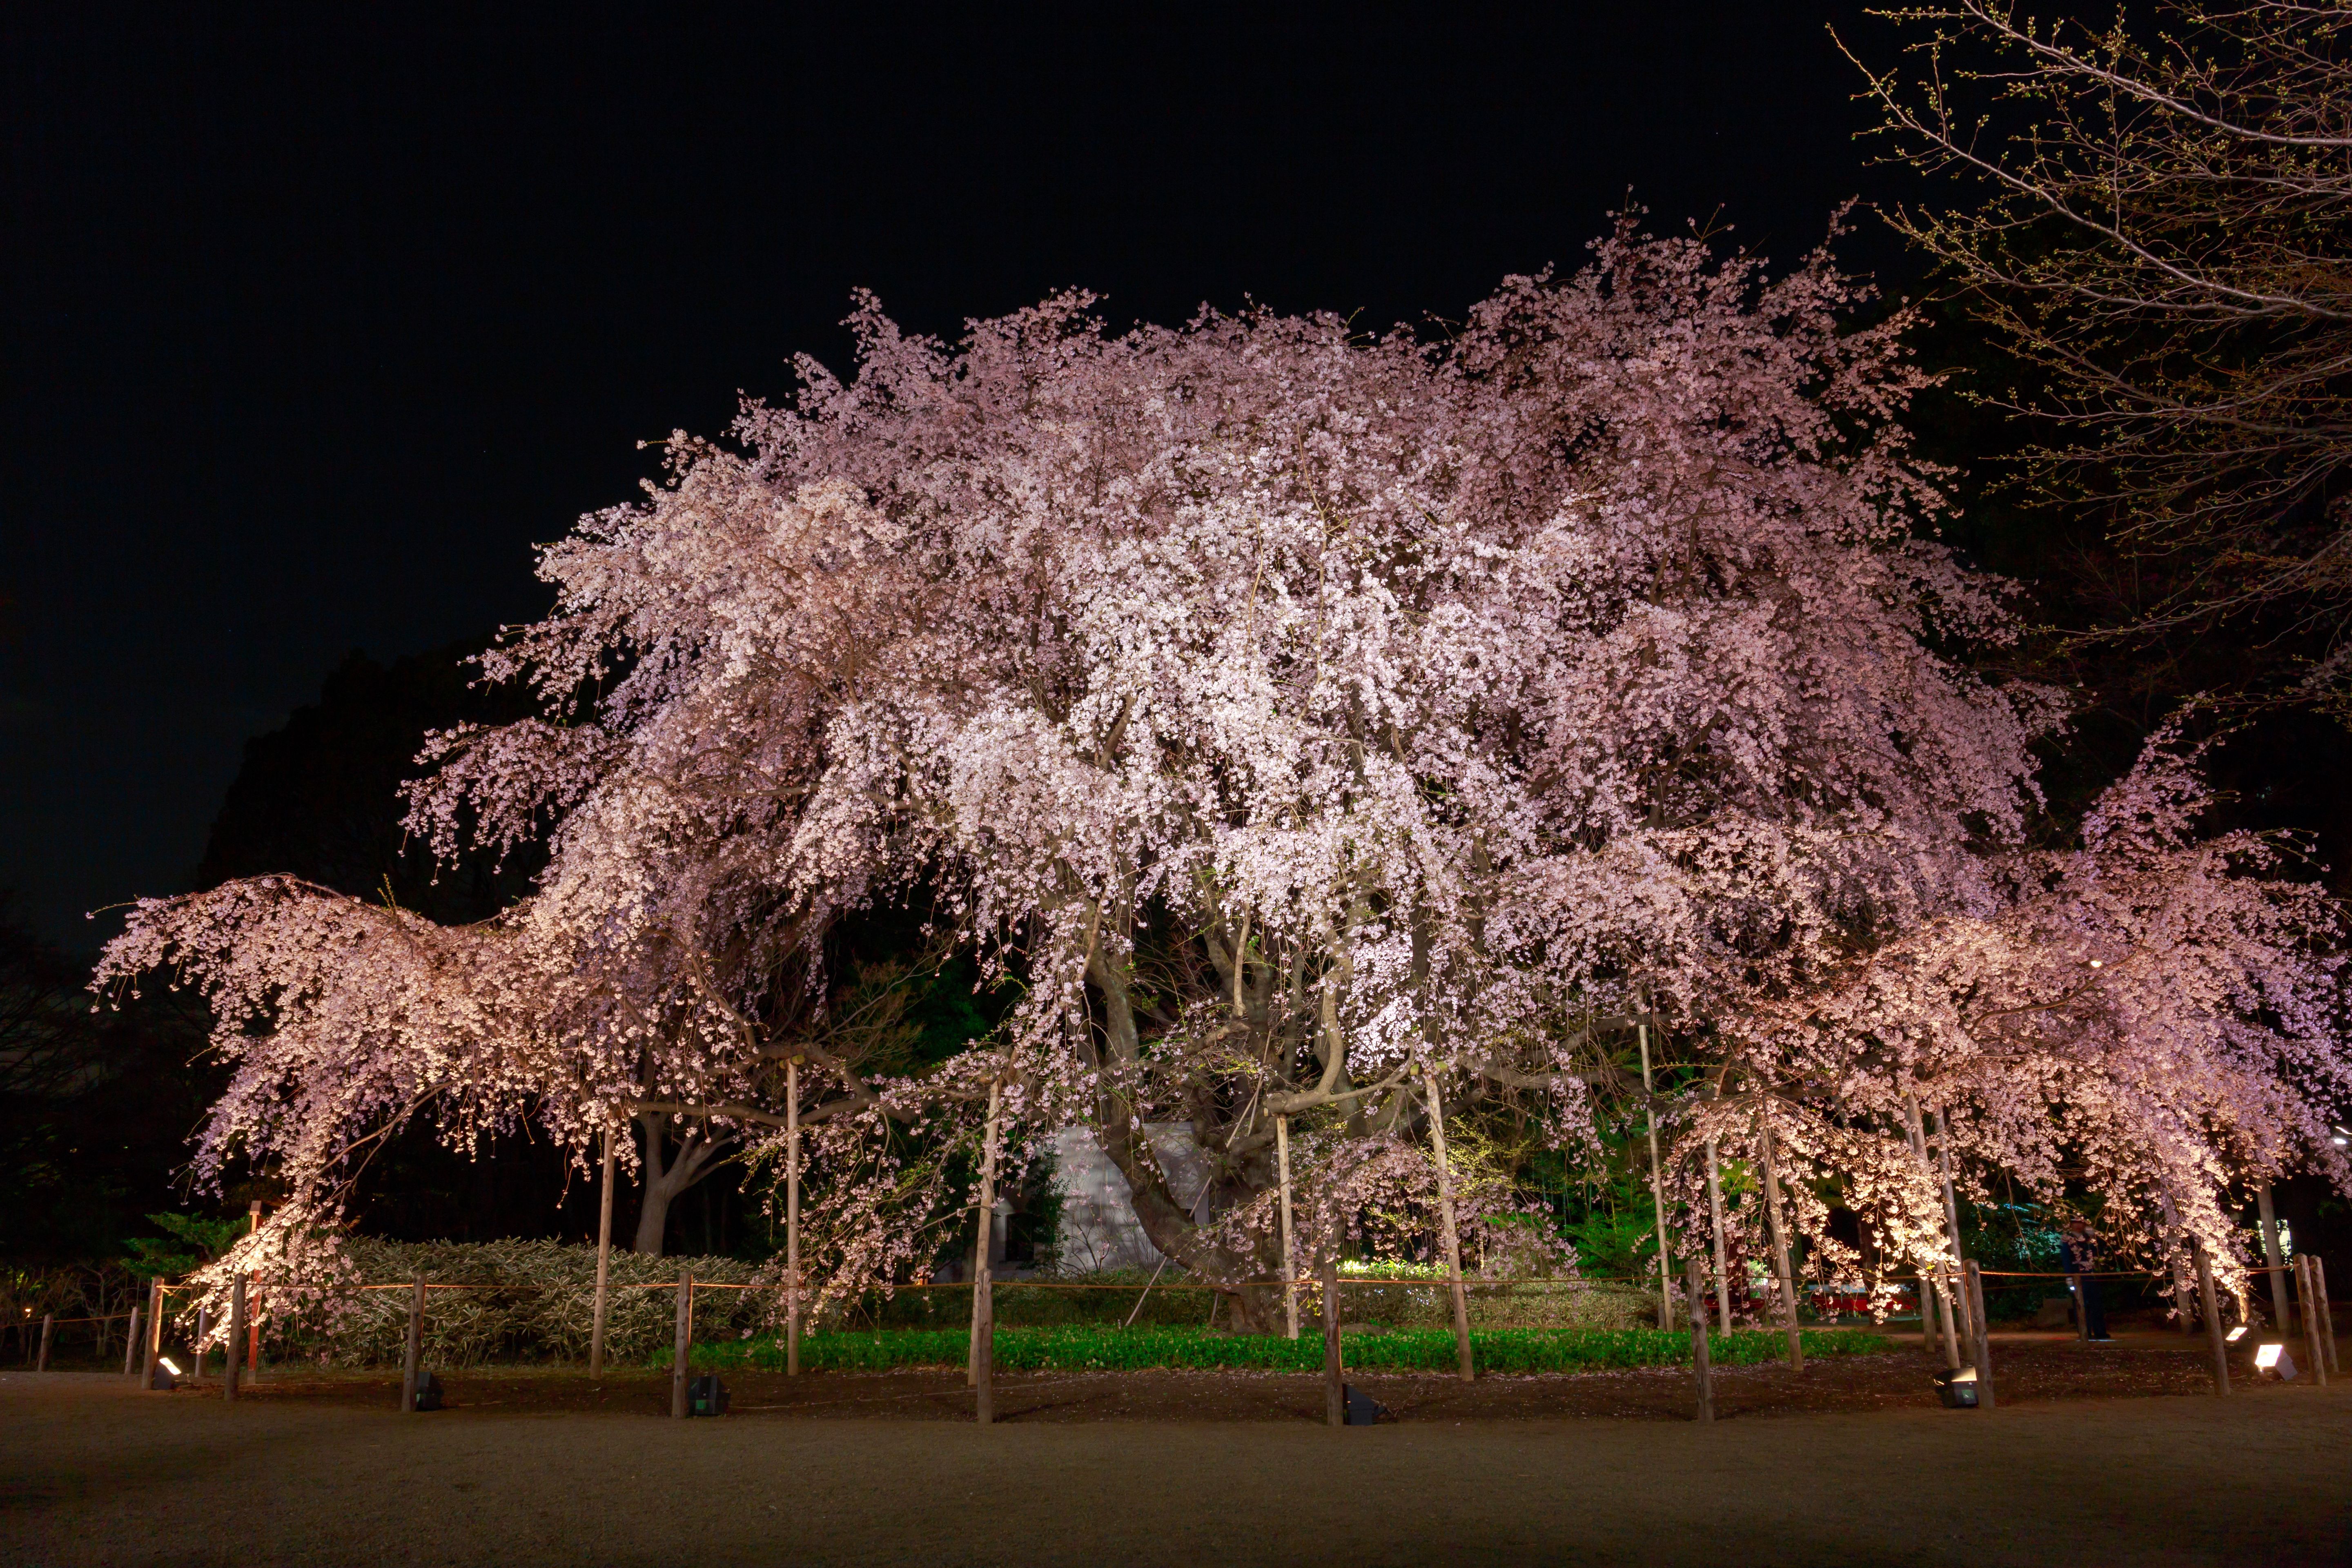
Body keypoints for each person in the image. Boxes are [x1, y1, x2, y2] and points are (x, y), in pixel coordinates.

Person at [2060, 1216, 2114, 1342]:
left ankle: (2100, 1331)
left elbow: (2100, 1250)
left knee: (2097, 1304)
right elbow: (2066, 1258)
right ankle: (2085, 1332)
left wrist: (2095, 1237)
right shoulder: (2068, 1239)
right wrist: (2069, 1276)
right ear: (2071, 1224)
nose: (2079, 1225)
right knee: (2080, 1304)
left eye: (2081, 1223)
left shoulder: (2089, 1239)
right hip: (2078, 1275)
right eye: (2076, 1223)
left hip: (2092, 1275)